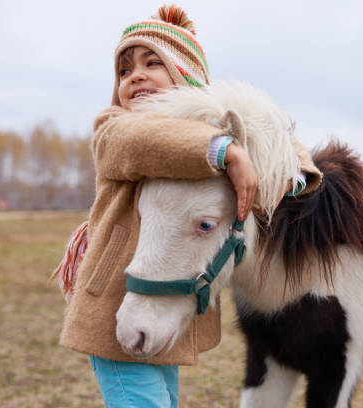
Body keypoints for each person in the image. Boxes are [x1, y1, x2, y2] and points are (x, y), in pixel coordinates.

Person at [54, 5, 323, 407]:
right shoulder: (114, 128)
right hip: (116, 306)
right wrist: (225, 150)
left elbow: (281, 142)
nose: (135, 76)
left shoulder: (205, 133)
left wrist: (289, 175)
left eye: (152, 62)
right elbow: (146, 143)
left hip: (168, 303)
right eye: (124, 70)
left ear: (186, 75)